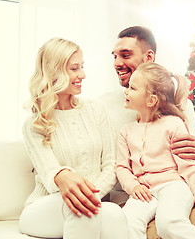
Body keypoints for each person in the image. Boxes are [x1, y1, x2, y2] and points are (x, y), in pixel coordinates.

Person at [100, 26, 195, 238]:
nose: (117, 63)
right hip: (136, 195)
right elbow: (114, 166)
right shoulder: (104, 106)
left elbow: (190, 162)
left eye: (125, 55)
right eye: (114, 56)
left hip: (175, 188)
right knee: (145, 228)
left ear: (148, 57)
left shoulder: (179, 107)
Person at [19, 37, 128, 239]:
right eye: (74, 69)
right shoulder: (35, 124)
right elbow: (52, 174)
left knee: (115, 215)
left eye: (82, 67)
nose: (83, 75)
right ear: (55, 72)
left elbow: (111, 164)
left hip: (93, 203)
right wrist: (67, 180)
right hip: (44, 208)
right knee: (81, 208)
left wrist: (91, 195)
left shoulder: (95, 109)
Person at [116, 62, 195, 239]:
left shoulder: (174, 124)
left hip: (173, 186)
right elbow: (122, 167)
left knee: (168, 223)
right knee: (127, 222)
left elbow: (189, 165)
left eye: (132, 88)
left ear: (151, 100)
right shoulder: (125, 132)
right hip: (144, 192)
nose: (126, 91)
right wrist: (133, 186)